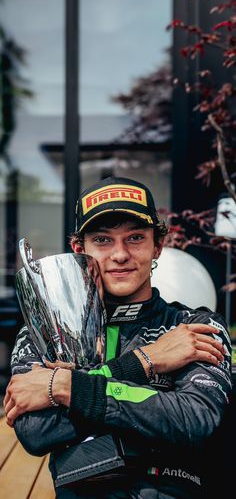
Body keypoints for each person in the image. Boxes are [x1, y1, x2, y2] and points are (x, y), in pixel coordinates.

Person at [4, 176, 232, 499]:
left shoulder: (194, 327)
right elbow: (35, 431)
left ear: (158, 246)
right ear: (79, 249)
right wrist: (143, 363)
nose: (120, 254)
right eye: (103, 240)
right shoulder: (45, 331)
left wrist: (68, 388)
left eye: (136, 237)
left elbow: (194, 418)